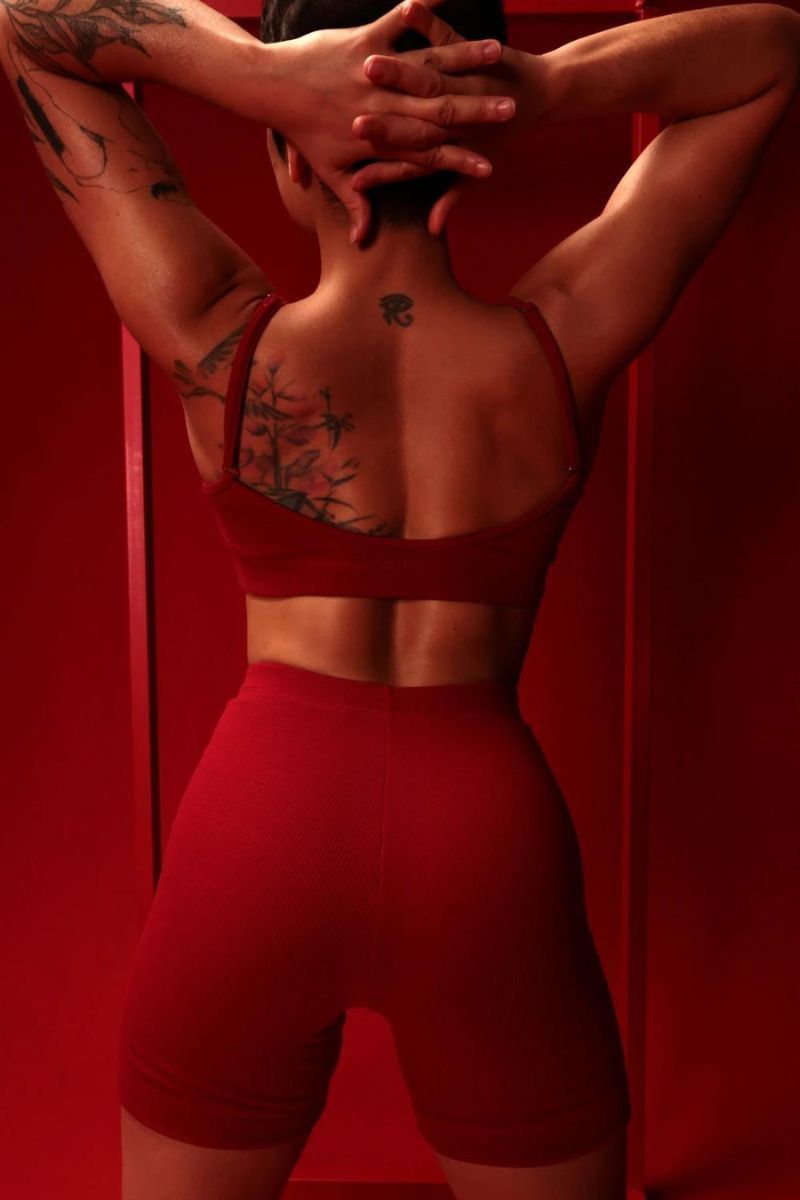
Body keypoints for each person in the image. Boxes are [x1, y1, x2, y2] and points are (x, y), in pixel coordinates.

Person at [4, 0, 798, 1196]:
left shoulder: (220, 335)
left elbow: (28, 24)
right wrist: (532, 90)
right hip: (483, 844)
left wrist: (262, 78)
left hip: (259, 830)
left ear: (289, 157)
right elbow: (769, 51)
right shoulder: (560, 340)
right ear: (467, 148)